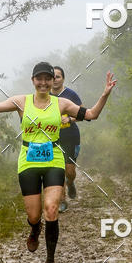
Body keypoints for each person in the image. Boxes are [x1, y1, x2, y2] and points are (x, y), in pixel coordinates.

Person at [0, 60, 116, 263]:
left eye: (47, 78)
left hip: (54, 160)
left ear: (52, 81)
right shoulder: (21, 101)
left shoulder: (61, 104)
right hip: (29, 162)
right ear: (33, 81)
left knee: (51, 209)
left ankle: (50, 261)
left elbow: (91, 115)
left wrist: (105, 93)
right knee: (34, 215)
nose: (43, 82)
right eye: (39, 78)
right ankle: (34, 227)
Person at [51, 65, 81, 212]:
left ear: (63, 78)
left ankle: (71, 182)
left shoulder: (71, 94)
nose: (55, 80)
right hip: (52, 139)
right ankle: (62, 201)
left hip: (71, 138)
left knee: (69, 171)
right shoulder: (44, 96)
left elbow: (83, 114)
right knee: (57, 171)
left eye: (58, 76)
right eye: (53, 77)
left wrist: (69, 118)